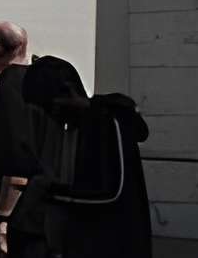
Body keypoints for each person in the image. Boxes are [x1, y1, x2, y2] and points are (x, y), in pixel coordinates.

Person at [21, 55, 151, 258]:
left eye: (52, 107)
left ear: (68, 91)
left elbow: (112, 191)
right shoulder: (76, 127)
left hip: (110, 243)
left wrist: (52, 193)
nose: (53, 116)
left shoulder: (106, 123)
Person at [0, 22, 48, 258]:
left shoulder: (12, 86)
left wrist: (3, 220)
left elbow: (18, 154)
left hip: (18, 217)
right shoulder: (35, 81)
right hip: (32, 212)